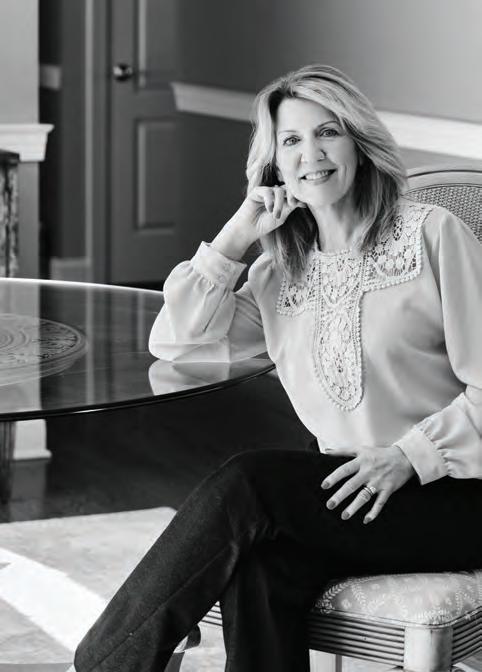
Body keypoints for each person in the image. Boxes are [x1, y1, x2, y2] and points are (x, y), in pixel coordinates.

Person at [72, 64, 482, 672]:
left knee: (252, 482)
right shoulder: (278, 271)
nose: (311, 154)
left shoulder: (432, 235)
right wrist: (236, 236)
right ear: (273, 166)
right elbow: (180, 344)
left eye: (328, 133)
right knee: (260, 570)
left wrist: (408, 455)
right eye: (291, 141)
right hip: (352, 494)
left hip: (456, 493)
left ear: (358, 144)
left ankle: (103, 662)